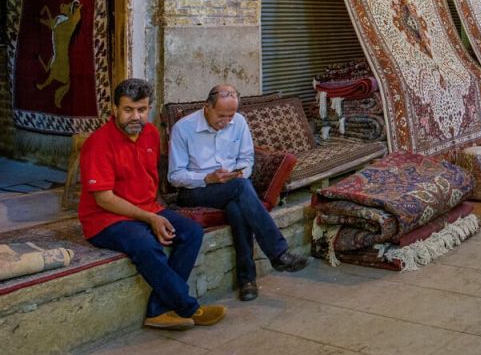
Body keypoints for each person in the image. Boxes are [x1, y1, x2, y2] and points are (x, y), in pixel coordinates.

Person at [79, 78, 226, 330]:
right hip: (106, 219)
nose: (135, 116)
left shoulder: (150, 134)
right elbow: (103, 198)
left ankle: (158, 311)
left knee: (190, 232)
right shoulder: (98, 143)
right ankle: (189, 307)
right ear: (114, 109)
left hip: (147, 208)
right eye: (128, 110)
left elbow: (149, 179)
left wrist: (155, 213)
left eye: (142, 109)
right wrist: (150, 219)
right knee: (146, 245)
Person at [169, 84, 309, 302]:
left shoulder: (239, 122)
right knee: (242, 190)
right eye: (220, 116)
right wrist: (207, 178)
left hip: (231, 186)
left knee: (237, 207)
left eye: (230, 116)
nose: (226, 122)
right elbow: (175, 175)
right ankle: (278, 253)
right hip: (195, 190)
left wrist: (239, 173)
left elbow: (246, 159)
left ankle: (247, 280)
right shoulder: (183, 128)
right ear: (207, 107)